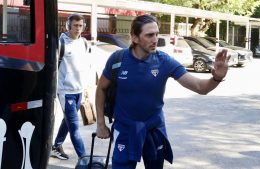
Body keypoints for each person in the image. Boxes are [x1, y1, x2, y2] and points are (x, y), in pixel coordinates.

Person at [95, 14, 229, 169]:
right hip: (125, 129)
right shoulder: (118, 59)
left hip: (153, 130)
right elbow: (101, 89)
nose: (155, 39)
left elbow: (200, 87)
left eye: (157, 34)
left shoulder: (164, 61)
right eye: (149, 35)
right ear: (135, 37)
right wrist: (100, 123)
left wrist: (216, 78)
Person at [51, 13, 88, 160]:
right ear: (68, 26)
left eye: (81, 25)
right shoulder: (61, 43)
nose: (78, 28)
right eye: (75, 25)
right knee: (74, 126)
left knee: (67, 121)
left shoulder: (84, 42)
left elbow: (86, 67)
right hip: (65, 91)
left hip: (79, 90)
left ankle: (56, 146)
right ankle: (84, 158)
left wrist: (86, 89)